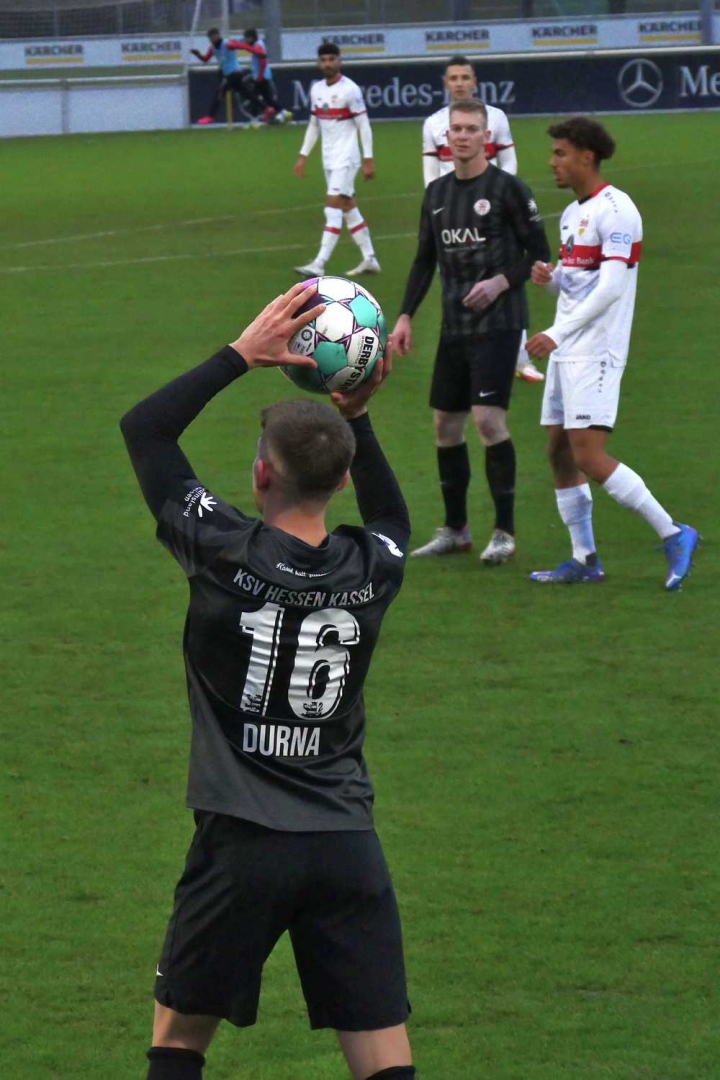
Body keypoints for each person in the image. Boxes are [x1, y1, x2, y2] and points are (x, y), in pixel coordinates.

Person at [120, 283, 416, 1080]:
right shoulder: (374, 567)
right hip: (346, 844)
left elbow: (145, 429)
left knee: (177, 1043)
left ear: (259, 476)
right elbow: (393, 523)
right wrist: (356, 416)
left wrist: (240, 355)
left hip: (242, 845)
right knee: (384, 1062)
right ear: (343, 481)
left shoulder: (221, 550)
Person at [526, 116, 698, 588]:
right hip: (567, 351)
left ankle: (674, 532)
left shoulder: (618, 211)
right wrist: (551, 279)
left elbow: (611, 289)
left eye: (560, 153)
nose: (552, 162)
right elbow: (577, 282)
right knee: (558, 451)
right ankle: (584, 559)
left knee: (588, 455)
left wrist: (556, 332)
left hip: (595, 350)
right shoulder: (571, 214)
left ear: (587, 157)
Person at [392, 99, 550, 565]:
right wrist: (405, 316)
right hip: (454, 327)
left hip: (501, 324)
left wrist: (500, 281)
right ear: (446, 137)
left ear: (487, 136)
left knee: (487, 421)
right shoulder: (437, 193)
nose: (462, 136)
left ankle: (504, 532)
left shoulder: (508, 189)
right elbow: (424, 260)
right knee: (445, 425)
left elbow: (540, 254)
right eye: (456, 129)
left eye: (471, 129)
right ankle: (455, 530)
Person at [422, 55, 544, 384]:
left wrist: (500, 199)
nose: (460, 83)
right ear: (445, 83)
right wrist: (440, 210)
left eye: (465, 77)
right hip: (452, 219)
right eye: (454, 78)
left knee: (506, 282)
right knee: (457, 285)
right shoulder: (433, 124)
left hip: (491, 213)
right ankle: (470, 353)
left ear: (474, 81)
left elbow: (509, 162)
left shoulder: (497, 117)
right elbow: (430, 176)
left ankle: (521, 359)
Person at [293, 43, 380, 278]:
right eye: (324, 60)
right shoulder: (316, 89)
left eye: (332, 59)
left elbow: (363, 124)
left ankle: (319, 263)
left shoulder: (350, 90)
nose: (328, 64)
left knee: (331, 207)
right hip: (329, 159)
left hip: (347, 158)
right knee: (347, 207)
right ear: (319, 63)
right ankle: (370, 259)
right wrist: (303, 155)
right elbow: (314, 125)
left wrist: (368, 159)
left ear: (339, 61)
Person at [191, 27, 255, 125]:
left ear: (217, 35)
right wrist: (198, 54)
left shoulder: (227, 44)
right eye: (209, 38)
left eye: (212, 37)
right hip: (229, 74)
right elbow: (205, 59)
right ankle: (267, 108)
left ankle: (210, 116)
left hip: (234, 73)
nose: (211, 39)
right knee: (246, 93)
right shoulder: (212, 48)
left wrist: (255, 50)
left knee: (219, 92)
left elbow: (240, 46)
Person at [228, 27, 293, 124]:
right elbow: (241, 44)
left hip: (261, 76)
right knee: (265, 98)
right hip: (262, 75)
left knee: (254, 97)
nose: (246, 40)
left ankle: (255, 119)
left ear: (251, 37)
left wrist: (259, 76)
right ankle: (283, 112)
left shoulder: (258, 46)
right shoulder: (257, 44)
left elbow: (263, 61)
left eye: (246, 38)